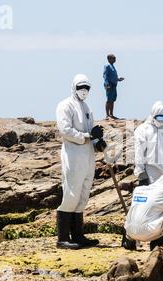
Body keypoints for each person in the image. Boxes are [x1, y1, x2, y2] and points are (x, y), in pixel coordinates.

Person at [55, 74, 107, 249]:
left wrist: (97, 141)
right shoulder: (65, 105)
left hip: (88, 156)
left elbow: (90, 131)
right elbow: (65, 130)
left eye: (87, 88)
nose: (84, 91)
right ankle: (63, 238)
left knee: (84, 193)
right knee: (71, 193)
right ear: (74, 87)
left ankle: (78, 235)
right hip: (73, 155)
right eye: (80, 87)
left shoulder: (86, 107)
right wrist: (87, 136)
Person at [103, 54, 125, 120]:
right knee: (108, 99)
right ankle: (107, 115)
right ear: (109, 59)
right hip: (109, 84)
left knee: (112, 100)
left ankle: (111, 114)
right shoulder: (107, 66)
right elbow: (105, 75)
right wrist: (107, 84)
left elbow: (113, 76)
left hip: (114, 85)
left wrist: (118, 79)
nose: (115, 59)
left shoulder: (112, 66)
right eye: (114, 58)